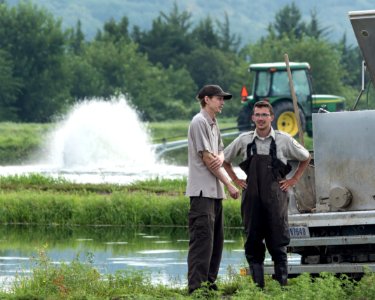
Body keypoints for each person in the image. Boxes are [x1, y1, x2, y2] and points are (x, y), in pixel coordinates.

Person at [223, 100, 311, 288]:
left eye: (265, 115)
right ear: (252, 117)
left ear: (271, 117)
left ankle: (281, 287)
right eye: (258, 115)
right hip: (251, 200)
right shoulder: (244, 140)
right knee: (253, 244)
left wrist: (293, 180)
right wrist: (236, 180)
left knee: (278, 244)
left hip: (276, 200)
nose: (261, 119)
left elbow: (305, 157)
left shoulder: (284, 139)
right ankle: (258, 289)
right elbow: (224, 159)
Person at [186, 84, 240, 294]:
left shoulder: (213, 123)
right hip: (202, 193)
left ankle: (209, 285)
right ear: (206, 99)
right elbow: (208, 159)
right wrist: (229, 183)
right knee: (202, 243)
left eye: (222, 98)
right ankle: (197, 290)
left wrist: (220, 158)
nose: (222, 102)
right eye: (219, 98)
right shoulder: (199, 122)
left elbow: (220, 153)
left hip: (215, 193)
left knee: (216, 243)